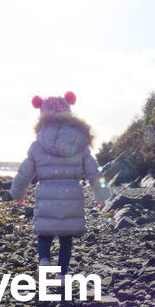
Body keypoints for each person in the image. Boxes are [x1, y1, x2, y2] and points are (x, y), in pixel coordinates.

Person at [8, 91, 110, 276]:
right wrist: (102, 196)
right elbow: (93, 172)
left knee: (44, 232)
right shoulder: (80, 143)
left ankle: (44, 260)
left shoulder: (38, 145)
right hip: (71, 194)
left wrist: (18, 194)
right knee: (66, 237)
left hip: (46, 193)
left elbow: (25, 173)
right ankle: (62, 274)